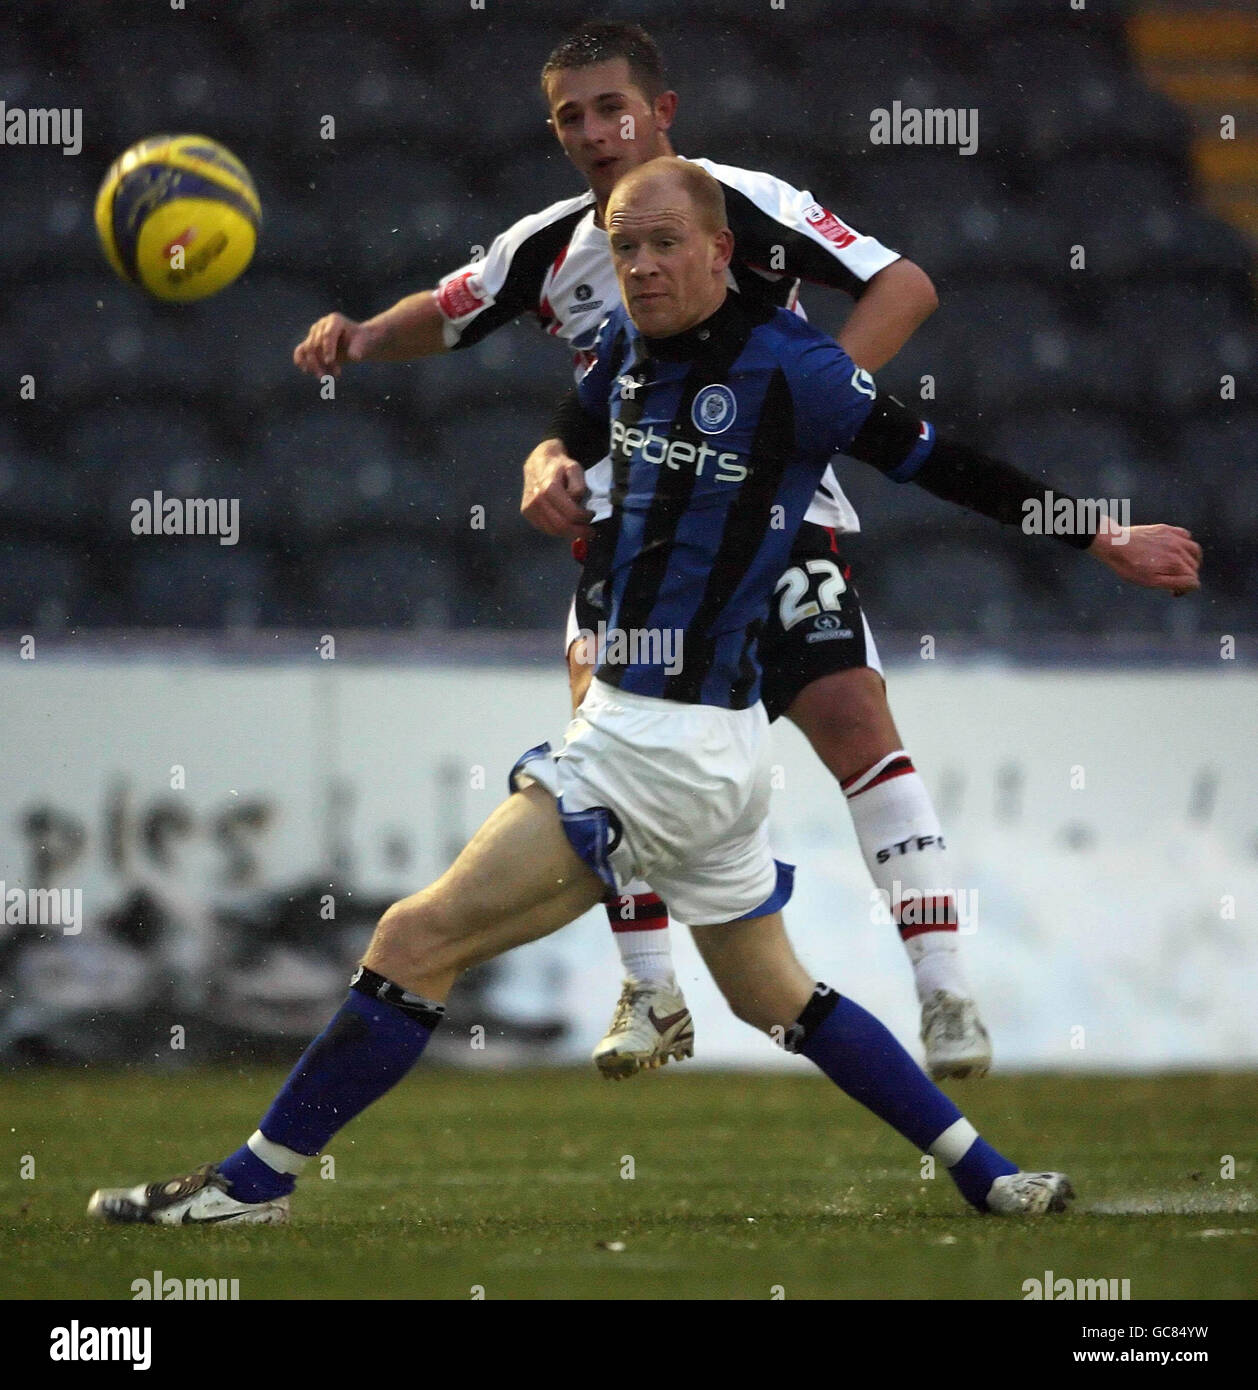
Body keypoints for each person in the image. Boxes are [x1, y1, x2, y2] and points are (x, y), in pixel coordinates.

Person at [92, 157, 1194, 1226]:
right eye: (626, 248)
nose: (645, 266)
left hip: (656, 745)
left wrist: (1101, 535)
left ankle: (253, 1184)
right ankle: (986, 1173)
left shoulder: (795, 371)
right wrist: (543, 464)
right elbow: (575, 429)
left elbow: (946, 461)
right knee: (776, 997)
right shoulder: (625, 344)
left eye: (667, 244)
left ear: (723, 250)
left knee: (411, 939)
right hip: (701, 756)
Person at [292, 19, 999, 1082]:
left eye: (611, 107)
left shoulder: (744, 200)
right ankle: (651, 989)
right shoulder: (550, 244)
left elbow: (904, 284)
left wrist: (809, 411)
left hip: (777, 511)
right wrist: (358, 335)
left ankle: (945, 993)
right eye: (570, 117)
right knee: (601, 730)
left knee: (851, 715)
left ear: (661, 112)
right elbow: (448, 314)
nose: (592, 132)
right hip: (633, 534)